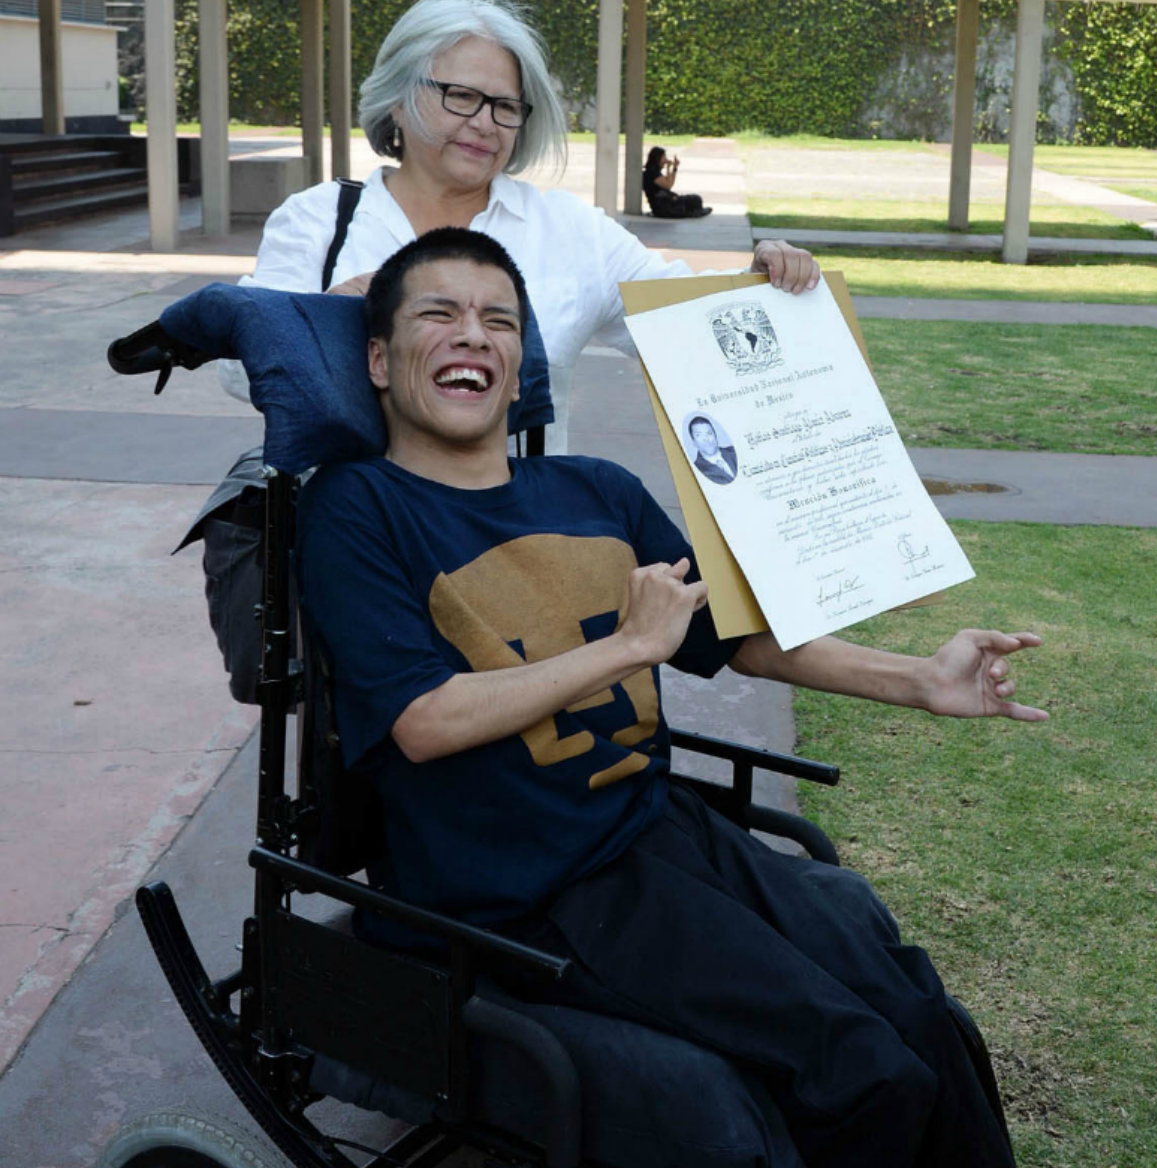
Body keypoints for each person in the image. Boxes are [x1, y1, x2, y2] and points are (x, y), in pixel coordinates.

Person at [297, 228, 1047, 1168]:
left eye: (498, 319)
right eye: (437, 314)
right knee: (857, 1071)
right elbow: (422, 720)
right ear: (378, 357)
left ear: (521, 358)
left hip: (660, 836)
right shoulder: (355, 508)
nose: (472, 336)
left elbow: (741, 641)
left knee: (919, 1013)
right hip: (528, 892)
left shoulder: (594, 490)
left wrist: (917, 680)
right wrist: (624, 646)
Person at [216, 0, 806, 406]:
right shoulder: (321, 220)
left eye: (505, 106)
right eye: (460, 96)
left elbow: (688, 320)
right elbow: (240, 372)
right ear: (397, 99)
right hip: (358, 552)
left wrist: (762, 281)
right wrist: (333, 320)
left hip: (520, 558)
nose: (484, 123)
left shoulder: (567, 229)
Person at [642, 145, 711, 219]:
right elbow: (668, 185)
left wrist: (674, 168)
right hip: (663, 206)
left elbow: (670, 183)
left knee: (695, 199)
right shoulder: (651, 173)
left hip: (667, 202)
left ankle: (696, 211)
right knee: (694, 199)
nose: (666, 159)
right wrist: (668, 168)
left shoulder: (655, 172)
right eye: (664, 157)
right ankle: (695, 211)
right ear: (657, 158)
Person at [688, 413, 738, 484]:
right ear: (694, 442)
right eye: (698, 435)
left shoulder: (734, 451)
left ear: (715, 436)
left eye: (709, 433)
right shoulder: (695, 471)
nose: (706, 439)